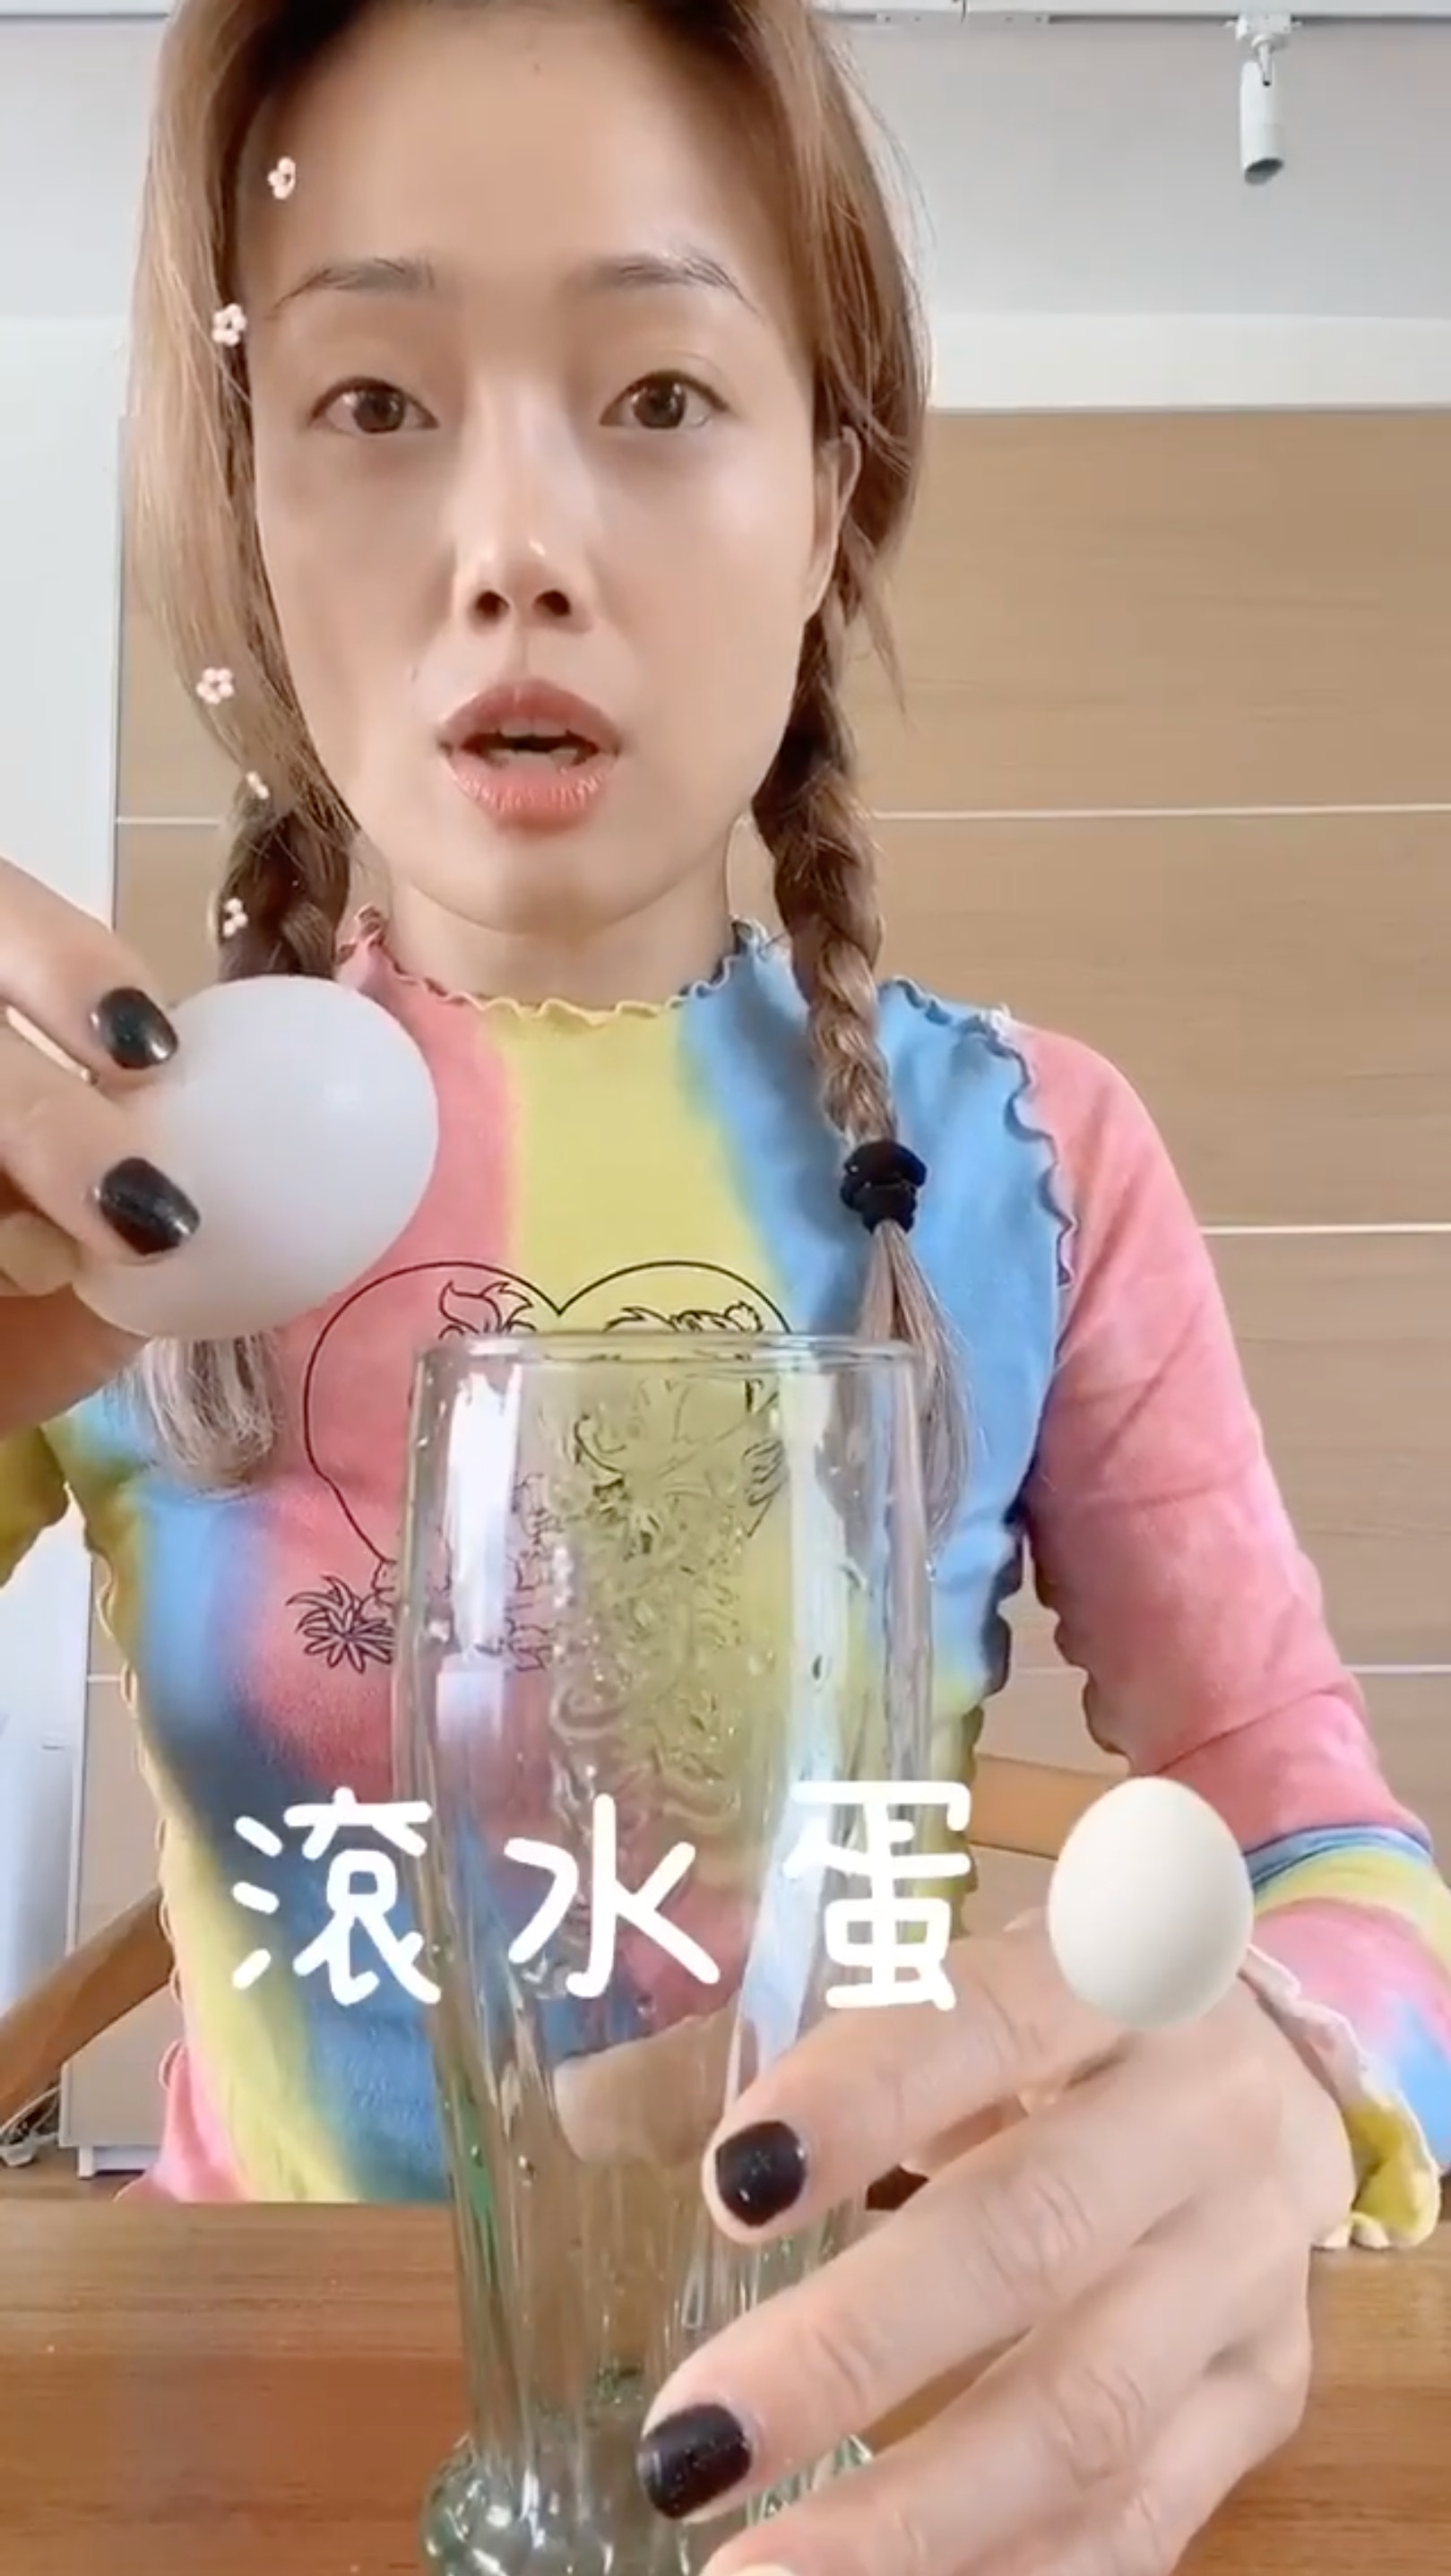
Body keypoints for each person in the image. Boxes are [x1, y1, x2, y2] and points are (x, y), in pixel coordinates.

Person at [0, 0, 1446, 2566]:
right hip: (240, 2441)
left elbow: (1329, 1847)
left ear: (824, 502)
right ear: (248, 505)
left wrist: (1288, 2067)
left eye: (659, 396)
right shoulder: (114, 1176)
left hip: (831, 2441)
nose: (514, 546)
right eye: (370, 402)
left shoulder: (1026, 1166)